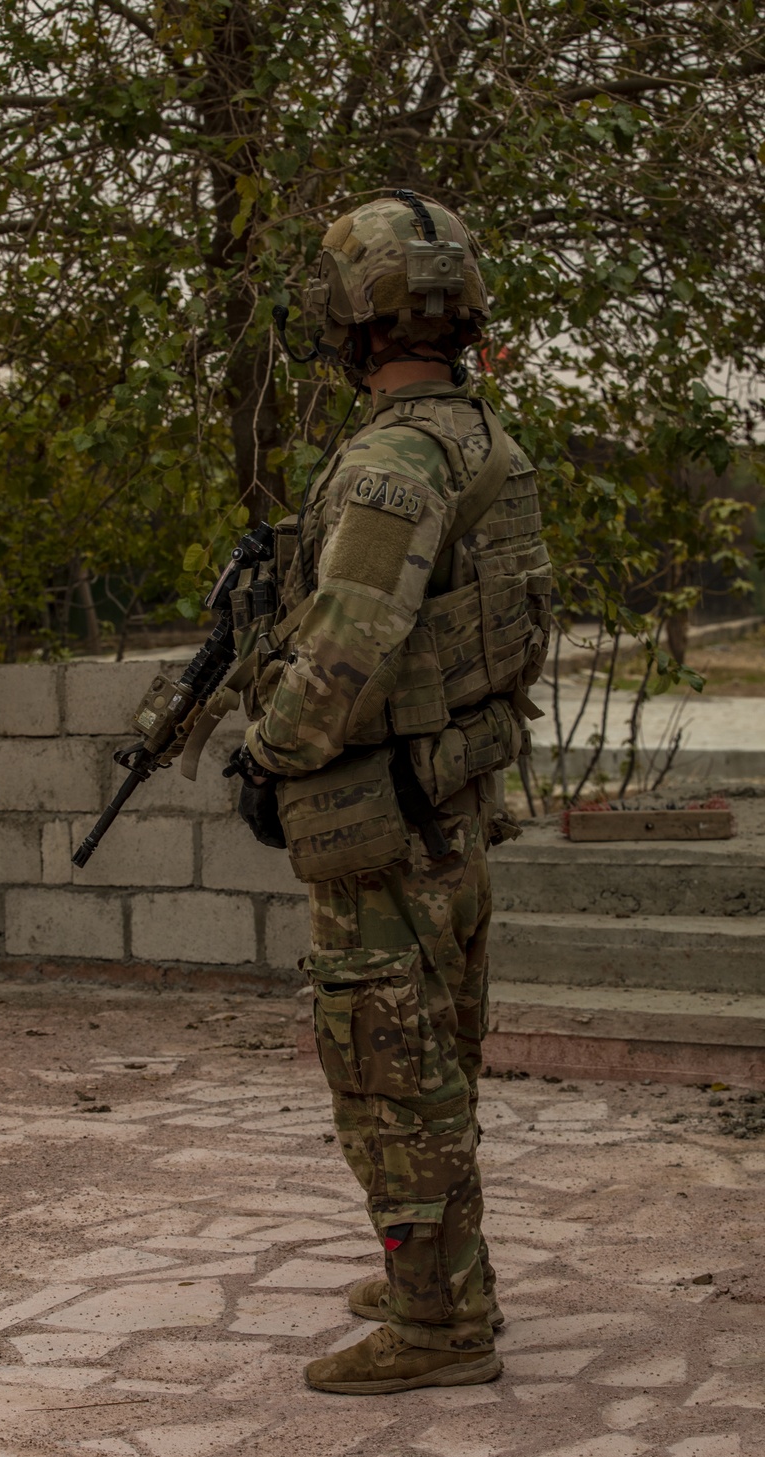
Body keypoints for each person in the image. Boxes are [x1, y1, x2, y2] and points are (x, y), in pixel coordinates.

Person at [227, 190, 552, 1394]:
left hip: (390, 823)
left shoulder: (391, 463)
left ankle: (435, 1327)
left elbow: (345, 656)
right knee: (435, 1060)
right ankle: (443, 1276)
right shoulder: (480, 442)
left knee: (385, 1070)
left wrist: (267, 753)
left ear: (349, 319)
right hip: (452, 805)